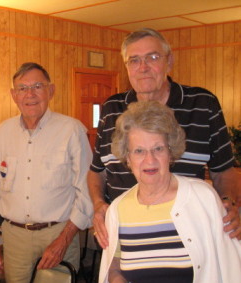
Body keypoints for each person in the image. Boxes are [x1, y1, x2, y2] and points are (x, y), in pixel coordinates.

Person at [96, 101, 241, 283]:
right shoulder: (119, 210)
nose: (150, 160)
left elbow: (234, 271)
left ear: (171, 152)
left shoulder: (202, 199)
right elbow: (113, 269)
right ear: (127, 158)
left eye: (158, 149)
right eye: (139, 151)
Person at [89, 28, 240, 249]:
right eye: (134, 60)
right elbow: (96, 171)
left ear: (169, 62)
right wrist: (98, 204)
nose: (143, 68)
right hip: (124, 233)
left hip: (188, 235)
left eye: (153, 57)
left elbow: (224, 171)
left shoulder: (203, 104)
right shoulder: (112, 108)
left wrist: (228, 203)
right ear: (127, 67)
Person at [0, 62, 93, 283]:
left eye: (37, 86)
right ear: (13, 95)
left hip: (58, 233)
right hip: (15, 237)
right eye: (22, 88)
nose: (29, 94)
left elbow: (86, 191)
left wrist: (64, 240)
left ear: (50, 91)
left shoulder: (71, 130)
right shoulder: (4, 131)